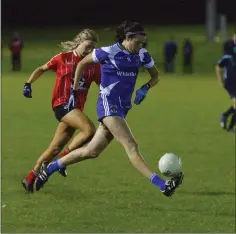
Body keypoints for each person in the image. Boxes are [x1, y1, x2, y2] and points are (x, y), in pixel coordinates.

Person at [36, 21, 184, 197]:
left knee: (92, 151)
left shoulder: (142, 55)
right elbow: (82, 63)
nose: (140, 46)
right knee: (131, 146)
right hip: (108, 107)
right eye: (137, 42)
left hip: (122, 109)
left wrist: (145, 87)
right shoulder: (108, 52)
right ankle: (162, 185)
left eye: (142, 43)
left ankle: (51, 167)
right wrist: (74, 90)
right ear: (128, 38)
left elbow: (155, 76)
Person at [22, 29, 101, 193]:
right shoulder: (63, 58)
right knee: (89, 130)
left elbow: (104, 86)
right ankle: (62, 162)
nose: (89, 51)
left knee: (54, 148)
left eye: (92, 48)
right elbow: (41, 68)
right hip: (62, 105)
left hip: (75, 111)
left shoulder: (93, 66)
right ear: (79, 42)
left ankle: (30, 179)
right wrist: (28, 84)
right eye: (87, 47)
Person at [216, 39, 236, 132]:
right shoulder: (227, 57)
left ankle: (226, 116)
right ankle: (230, 126)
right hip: (230, 83)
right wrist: (220, 80)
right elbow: (218, 66)